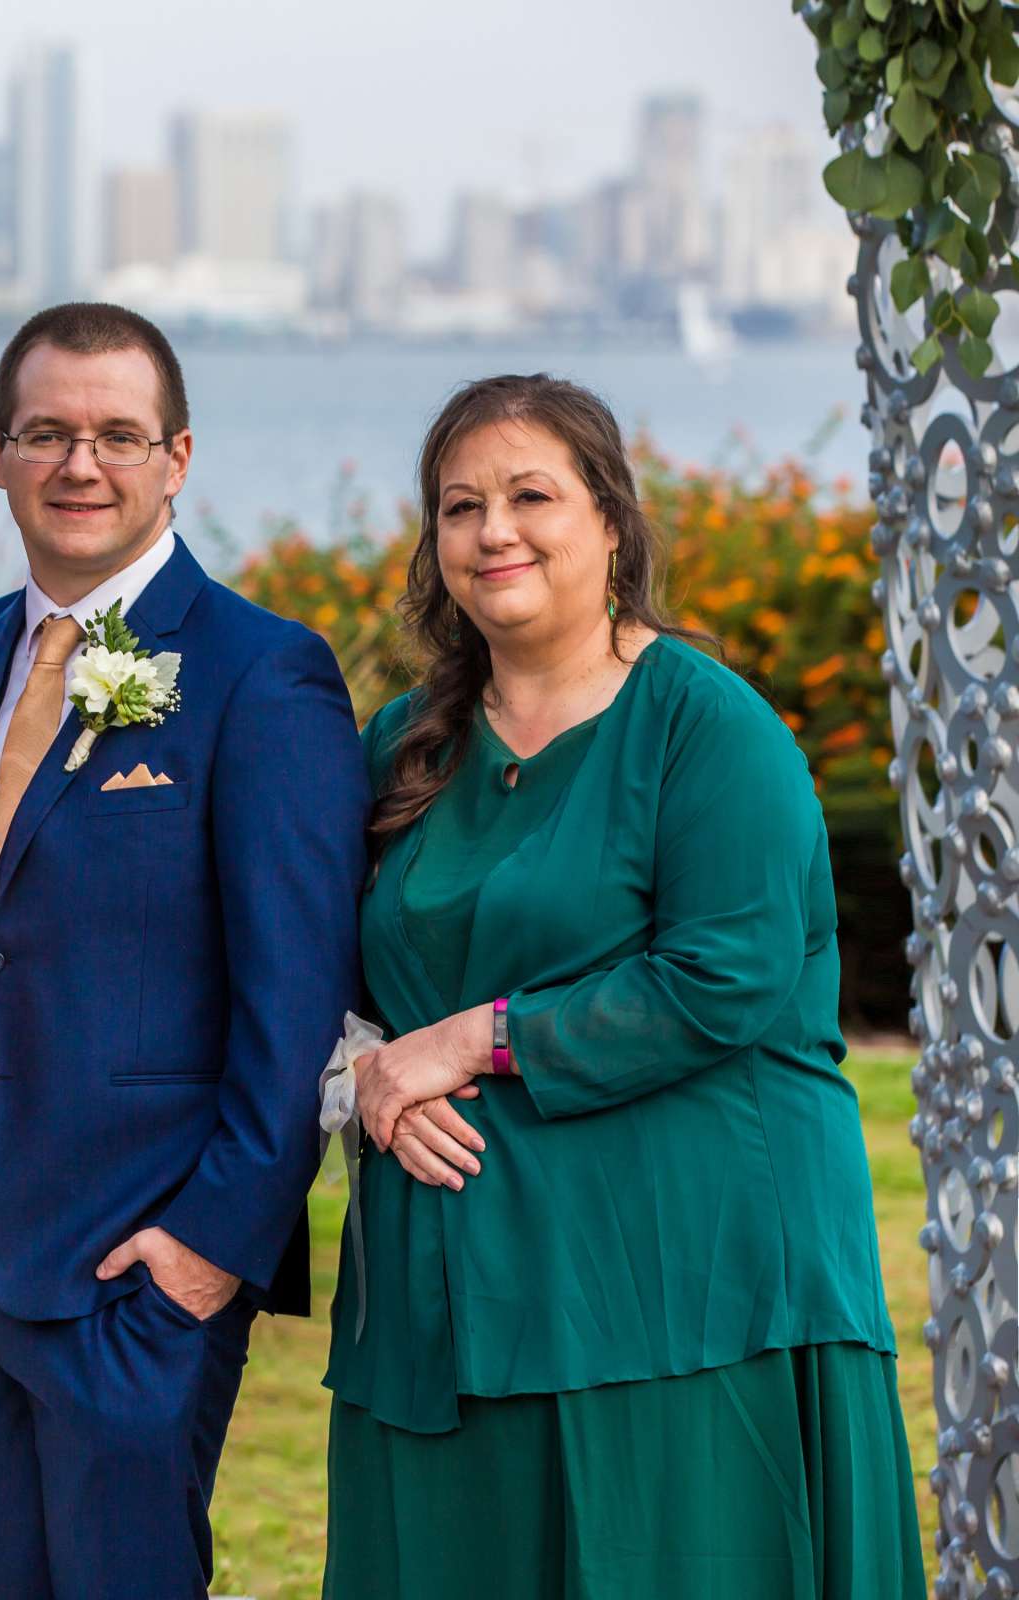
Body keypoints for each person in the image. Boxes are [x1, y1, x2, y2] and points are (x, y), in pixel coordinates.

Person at [324, 374, 922, 1597]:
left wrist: (475, 1039)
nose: (493, 531)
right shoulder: (399, 744)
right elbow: (314, 966)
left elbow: (727, 976)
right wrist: (360, 1070)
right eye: (459, 506)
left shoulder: (708, 726)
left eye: (530, 495)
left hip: (682, 1283)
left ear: (610, 520)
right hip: (450, 1289)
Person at [0, 304, 369, 1598]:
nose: (79, 465)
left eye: (116, 435)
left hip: (136, 1276)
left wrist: (214, 1243)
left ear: (178, 457)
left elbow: (298, 995)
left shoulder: (262, 673)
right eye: (46, 432)